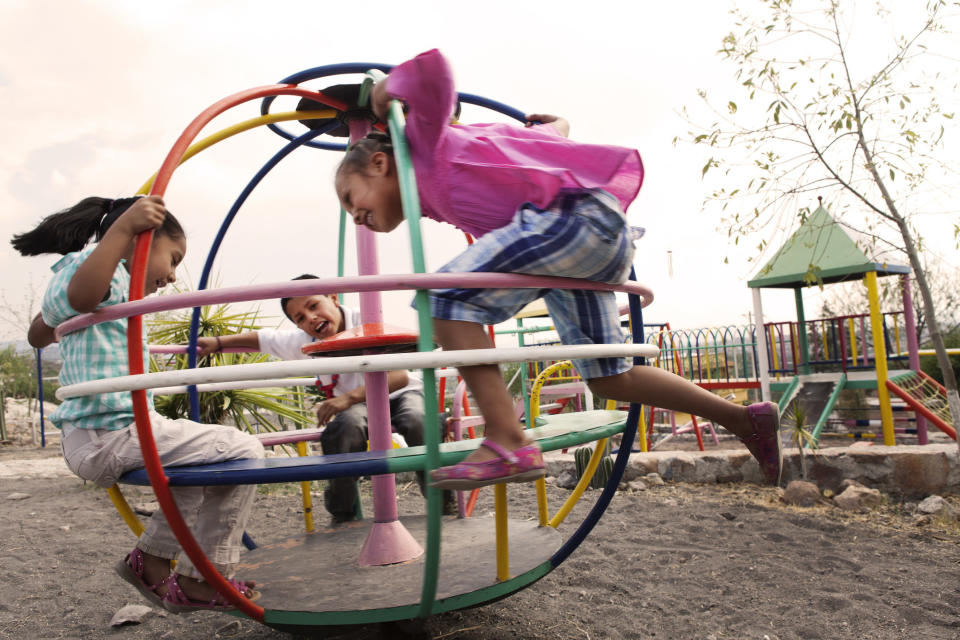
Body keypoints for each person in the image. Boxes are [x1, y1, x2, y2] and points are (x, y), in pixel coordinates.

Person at [333, 48, 782, 490]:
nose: (355, 217)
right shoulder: (441, 187)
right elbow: (528, 151)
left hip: (576, 223)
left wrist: (387, 93)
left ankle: (507, 439)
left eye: (352, 199)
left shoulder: (424, 144)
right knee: (611, 376)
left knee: (445, 300)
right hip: (587, 239)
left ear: (379, 163)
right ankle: (744, 419)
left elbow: (435, 73)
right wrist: (560, 130)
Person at [12, 195, 264, 612]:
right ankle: (203, 578)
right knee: (245, 449)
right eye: (174, 257)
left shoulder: (93, 288)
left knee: (193, 469)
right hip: (110, 433)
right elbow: (81, 295)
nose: (173, 275)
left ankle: (150, 560)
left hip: (98, 433)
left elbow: (39, 334)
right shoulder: (96, 276)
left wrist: (55, 316)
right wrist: (123, 229)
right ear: (140, 241)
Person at [196, 274, 456, 521]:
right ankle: (343, 509)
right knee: (345, 427)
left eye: (313, 305)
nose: (310, 318)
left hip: (400, 392)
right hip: (359, 406)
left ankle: (442, 497)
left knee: (418, 418)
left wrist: (348, 398)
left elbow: (398, 376)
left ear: (333, 297)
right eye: (300, 317)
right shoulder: (306, 341)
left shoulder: (366, 319)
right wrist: (218, 342)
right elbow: (262, 338)